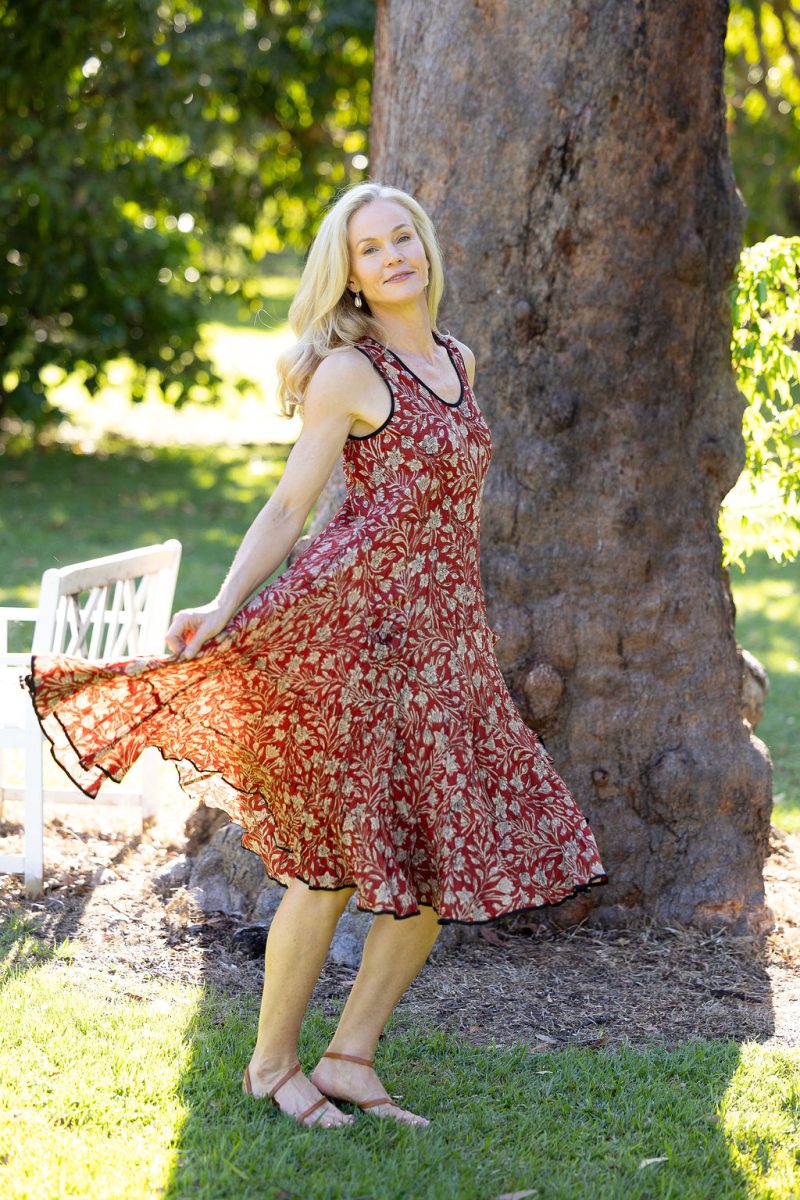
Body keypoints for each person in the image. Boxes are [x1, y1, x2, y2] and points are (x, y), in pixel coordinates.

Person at [21, 181, 608, 1130]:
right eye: (371, 249)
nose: (393, 256)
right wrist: (222, 603)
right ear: (352, 276)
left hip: (445, 644)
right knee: (328, 868)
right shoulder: (351, 373)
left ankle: (349, 1056)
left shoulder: (458, 358)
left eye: (402, 236)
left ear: (425, 246)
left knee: (431, 869)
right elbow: (291, 508)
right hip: (353, 636)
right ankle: (269, 1065)